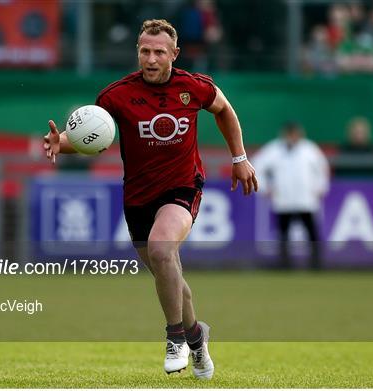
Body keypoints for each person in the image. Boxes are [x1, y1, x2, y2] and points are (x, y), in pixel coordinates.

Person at [43, 19, 258, 380]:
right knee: (168, 273)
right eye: (145, 51)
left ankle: (174, 338)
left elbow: (224, 110)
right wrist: (59, 144)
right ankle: (195, 337)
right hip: (138, 197)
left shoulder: (194, 86)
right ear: (138, 52)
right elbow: (92, 136)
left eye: (160, 52)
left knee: (161, 250)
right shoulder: (116, 96)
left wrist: (239, 158)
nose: (152, 58)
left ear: (174, 53)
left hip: (183, 188)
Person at [253, 122, 328, 270]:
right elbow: (256, 166)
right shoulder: (274, 150)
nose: (293, 137)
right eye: (290, 134)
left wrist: (320, 188)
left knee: (312, 233)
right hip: (284, 201)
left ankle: (316, 264)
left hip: (306, 200)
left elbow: (322, 169)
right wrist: (265, 188)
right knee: (283, 234)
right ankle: (284, 265)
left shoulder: (309, 149)